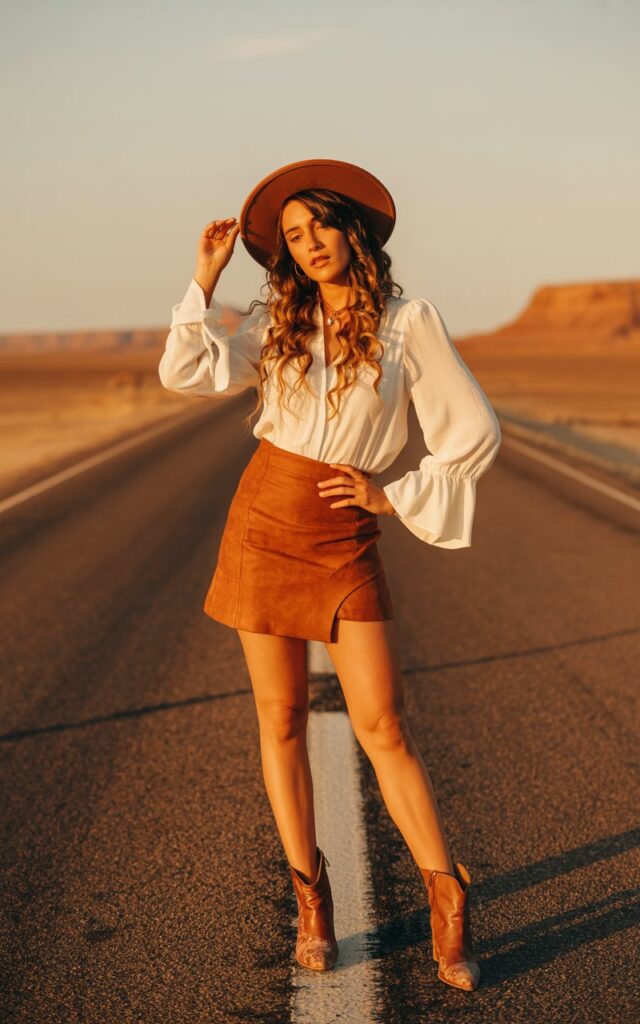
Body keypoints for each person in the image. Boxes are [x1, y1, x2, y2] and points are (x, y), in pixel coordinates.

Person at [158, 159, 501, 992]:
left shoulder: (407, 320)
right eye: (294, 236)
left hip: (344, 532)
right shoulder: (278, 314)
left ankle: (447, 899)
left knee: (382, 725)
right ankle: (312, 903)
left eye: (322, 227)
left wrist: (395, 494)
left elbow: (473, 429)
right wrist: (201, 283)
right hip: (264, 520)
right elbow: (188, 372)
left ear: (356, 231)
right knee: (279, 722)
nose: (309, 245)